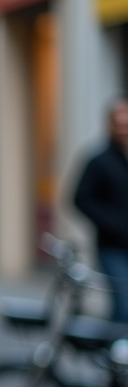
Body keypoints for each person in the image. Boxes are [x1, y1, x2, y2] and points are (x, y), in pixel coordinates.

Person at [74, 97, 128, 323]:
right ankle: (115, 344)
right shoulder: (99, 161)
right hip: (113, 248)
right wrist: (115, 224)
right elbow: (80, 199)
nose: (124, 128)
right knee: (124, 306)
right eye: (120, 123)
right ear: (110, 125)